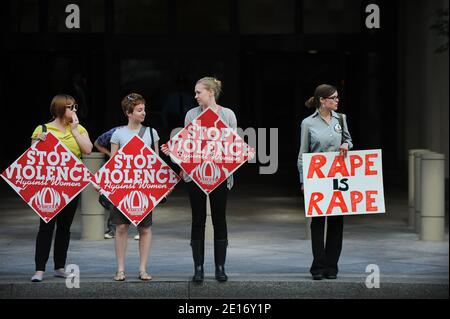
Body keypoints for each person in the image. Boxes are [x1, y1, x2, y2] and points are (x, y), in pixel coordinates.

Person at [162, 76, 236, 283]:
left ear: (210, 92)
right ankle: (199, 268)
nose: (195, 96)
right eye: (195, 92)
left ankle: (220, 268)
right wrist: (173, 151)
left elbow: (233, 144)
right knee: (198, 220)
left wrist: (244, 152)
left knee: (220, 218)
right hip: (195, 176)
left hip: (220, 175)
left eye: (198, 92)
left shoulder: (228, 114)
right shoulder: (191, 115)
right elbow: (187, 145)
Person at [30, 94, 93, 282]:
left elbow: (88, 150)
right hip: (48, 187)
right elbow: (31, 157)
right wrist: (38, 141)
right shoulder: (43, 129)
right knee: (46, 226)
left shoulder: (79, 128)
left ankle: (59, 267)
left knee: (64, 227)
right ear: (59, 109)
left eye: (75, 107)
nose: (75, 110)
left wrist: (74, 131)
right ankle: (39, 270)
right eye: (71, 107)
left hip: (71, 186)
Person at [297, 84, 353, 280]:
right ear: (322, 100)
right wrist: (303, 180)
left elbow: (349, 141)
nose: (337, 100)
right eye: (333, 98)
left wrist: (346, 143)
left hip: (338, 176)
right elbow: (303, 153)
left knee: (337, 222)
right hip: (318, 177)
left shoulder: (342, 119)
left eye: (338, 97)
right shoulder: (308, 123)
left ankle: (332, 267)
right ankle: (318, 267)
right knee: (318, 223)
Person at [110, 93, 160, 281]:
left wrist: (163, 184)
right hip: (123, 187)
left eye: (144, 109)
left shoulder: (151, 132)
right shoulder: (118, 134)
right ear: (128, 113)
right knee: (121, 227)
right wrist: (104, 184)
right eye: (139, 110)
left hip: (144, 187)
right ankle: (120, 269)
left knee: (145, 229)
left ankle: (142, 269)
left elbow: (156, 162)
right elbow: (113, 163)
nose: (144, 113)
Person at [94, 126, 140, 241]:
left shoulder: (143, 132)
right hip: (117, 170)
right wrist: (110, 155)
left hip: (135, 168)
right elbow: (97, 143)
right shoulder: (115, 132)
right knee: (112, 197)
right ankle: (113, 229)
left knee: (137, 197)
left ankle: (141, 229)